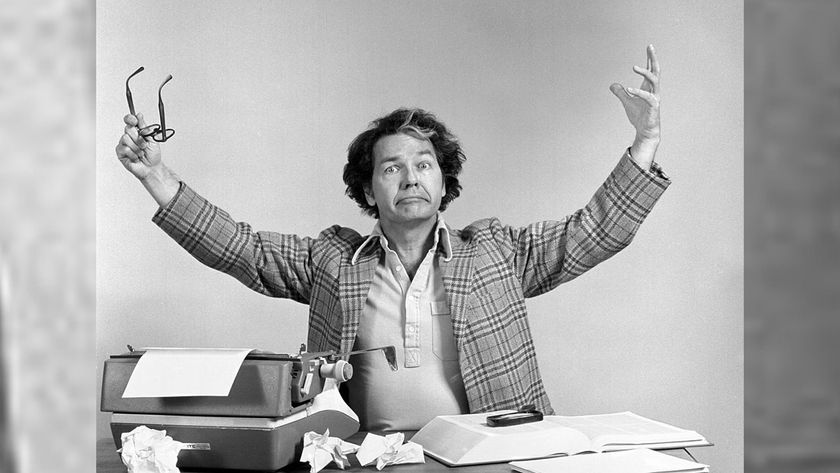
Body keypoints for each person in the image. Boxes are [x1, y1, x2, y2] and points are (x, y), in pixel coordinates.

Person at [114, 45, 668, 431]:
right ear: (367, 187)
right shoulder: (333, 261)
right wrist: (155, 176)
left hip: (494, 454)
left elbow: (592, 232)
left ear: (444, 179)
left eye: (425, 164)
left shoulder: (496, 252)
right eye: (391, 168)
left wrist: (645, 139)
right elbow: (242, 247)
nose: (410, 178)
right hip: (370, 457)